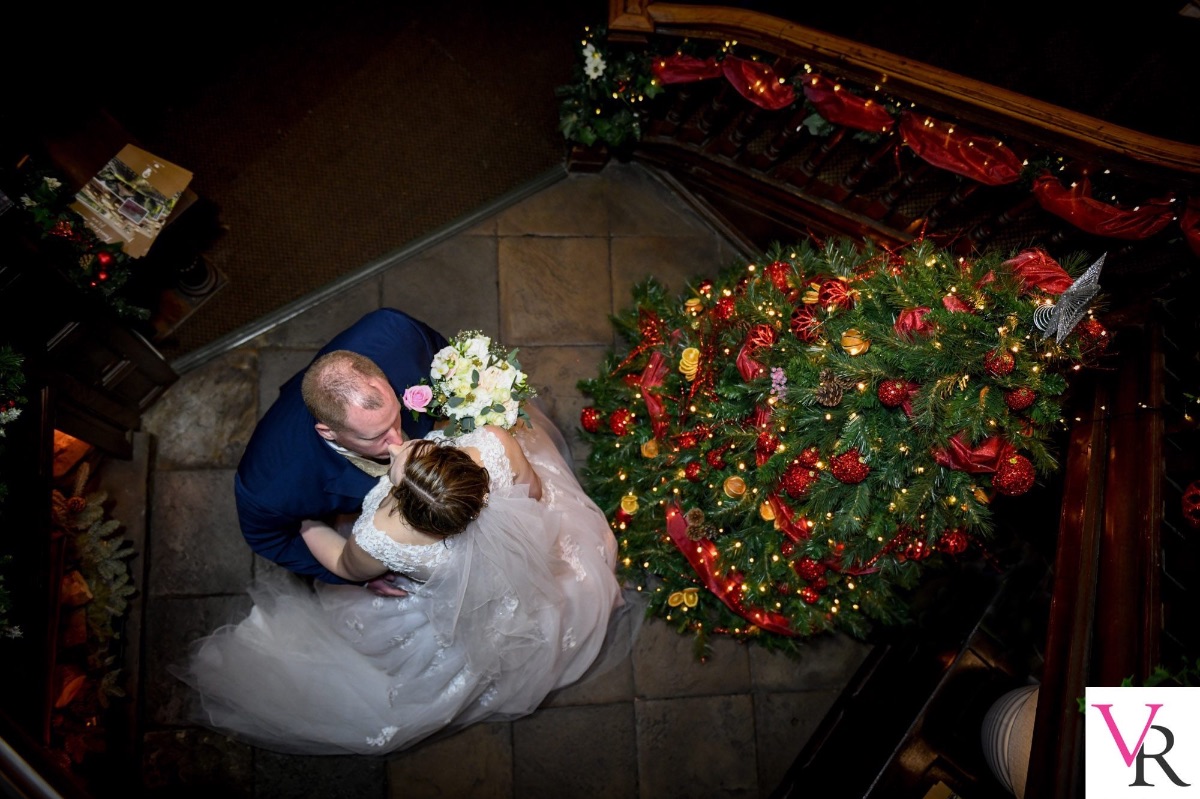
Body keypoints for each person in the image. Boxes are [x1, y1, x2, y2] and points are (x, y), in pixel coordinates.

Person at [173, 401, 628, 755]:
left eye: (404, 458)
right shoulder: (493, 441)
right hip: (508, 573)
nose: (399, 445)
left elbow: (342, 565)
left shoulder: (382, 538)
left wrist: (306, 524)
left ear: (404, 501)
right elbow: (533, 492)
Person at [234, 307, 447, 596]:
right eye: (375, 436)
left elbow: (448, 364)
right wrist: (358, 576)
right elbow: (268, 539)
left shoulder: (397, 334)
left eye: (395, 416)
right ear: (328, 433)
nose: (398, 440)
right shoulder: (270, 486)